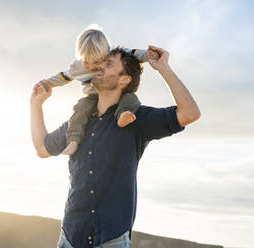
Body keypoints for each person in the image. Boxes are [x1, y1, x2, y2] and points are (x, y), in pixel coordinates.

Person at [30, 45, 201, 248]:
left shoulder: (136, 119)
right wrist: (36, 105)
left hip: (112, 240)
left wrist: (163, 68)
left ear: (124, 79)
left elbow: (190, 113)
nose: (99, 66)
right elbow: (42, 149)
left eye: (108, 64)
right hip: (71, 237)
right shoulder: (79, 121)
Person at [38, 26, 150, 156]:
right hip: (93, 97)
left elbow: (135, 53)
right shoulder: (77, 67)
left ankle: (123, 115)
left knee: (131, 98)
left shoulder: (114, 55)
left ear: (106, 53)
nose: (94, 67)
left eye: (98, 61)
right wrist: (47, 83)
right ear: (81, 57)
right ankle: (73, 141)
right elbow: (63, 77)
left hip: (117, 94)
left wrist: (150, 55)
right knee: (80, 109)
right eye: (88, 62)